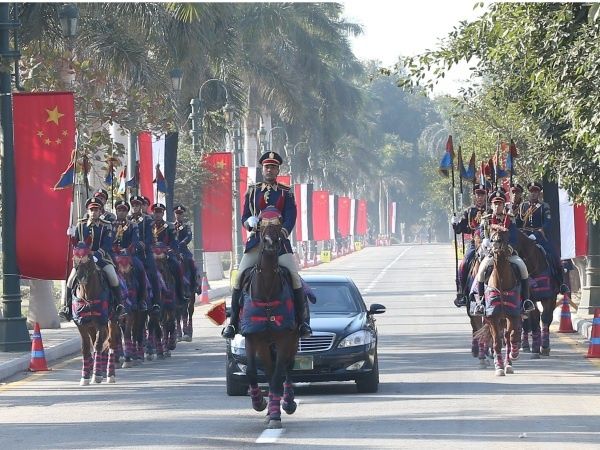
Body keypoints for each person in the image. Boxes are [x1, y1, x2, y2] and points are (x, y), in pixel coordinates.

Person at [222, 151, 311, 339]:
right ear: (263, 169)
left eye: (273, 167)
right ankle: (233, 324)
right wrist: (249, 223)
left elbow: (290, 217)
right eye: (266, 167)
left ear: (278, 170)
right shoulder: (252, 190)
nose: (269, 170)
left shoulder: (286, 192)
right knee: (239, 278)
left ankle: (302, 323)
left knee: (295, 277)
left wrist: (282, 233)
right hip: (256, 243)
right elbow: (244, 216)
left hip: (279, 244)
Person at [59, 197, 123, 321]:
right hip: (83, 260)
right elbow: (77, 244)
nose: (94, 212)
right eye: (91, 209)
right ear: (88, 211)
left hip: (102, 258)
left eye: (96, 209)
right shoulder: (81, 224)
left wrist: (96, 255)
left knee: (113, 277)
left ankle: (118, 305)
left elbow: (107, 244)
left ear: (100, 211)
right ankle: (66, 307)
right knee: (71, 279)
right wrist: (71, 236)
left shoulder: (106, 226)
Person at [473, 190, 534, 316]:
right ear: (491, 205)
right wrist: (486, 243)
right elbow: (483, 234)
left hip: (508, 253)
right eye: (495, 204)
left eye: (500, 204)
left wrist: (510, 248)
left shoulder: (510, 219)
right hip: (492, 253)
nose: (497, 206)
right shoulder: (486, 219)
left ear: (503, 205)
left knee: (523, 268)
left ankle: (526, 301)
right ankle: (481, 303)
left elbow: (514, 237)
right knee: (481, 271)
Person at [517, 181, 569, 294]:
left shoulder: (544, 206)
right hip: (524, 236)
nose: (533, 194)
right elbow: (517, 223)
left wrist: (535, 235)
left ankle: (561, 283)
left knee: (553, 254)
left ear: (539, 193)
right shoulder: (522, 206)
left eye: (536, 191)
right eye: (531, 191)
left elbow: (547, 223)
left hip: (539, 236)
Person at [450, 183, 488, 307]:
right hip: (474, 243)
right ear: (474, 196)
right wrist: (455, 224)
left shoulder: (491, 210)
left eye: (482, 194)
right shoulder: (469, 211)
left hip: (489, 243)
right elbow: (461, 229)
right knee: (463, 264)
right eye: (478, 194)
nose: (480, 197)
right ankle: (462, 293)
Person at [129, 195, 161, 313]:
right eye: (133, 205)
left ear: (141, 206)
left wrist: (143, 243)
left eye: (137, 205)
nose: (135, 207)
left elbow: (150, 237)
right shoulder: (128, 220)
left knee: (153, 274)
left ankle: (156, 302)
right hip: (131, 254)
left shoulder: (148, 220)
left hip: (145, 253)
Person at [150, 203, 184, 303]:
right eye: (156, 212)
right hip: (151, 253)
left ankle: (180, 294)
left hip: (166, 253)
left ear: (163, 213)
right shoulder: (148, 225)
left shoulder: (169, 226)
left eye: (160, 212)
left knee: (177, 267)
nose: (158, 214)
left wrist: (170, 249)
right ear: (153, 212)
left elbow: (174, 241)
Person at [173, 204, 198, 295]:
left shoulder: (186, 226)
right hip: (173, 250)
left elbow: (189, 236)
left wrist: (183, 242)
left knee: (191, 262)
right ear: (174, 214)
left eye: (180, 213)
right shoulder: (171, 226)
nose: (178, 215)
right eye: (177, 213)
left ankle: (194, 284)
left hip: (183, 249)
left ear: (183, 215)